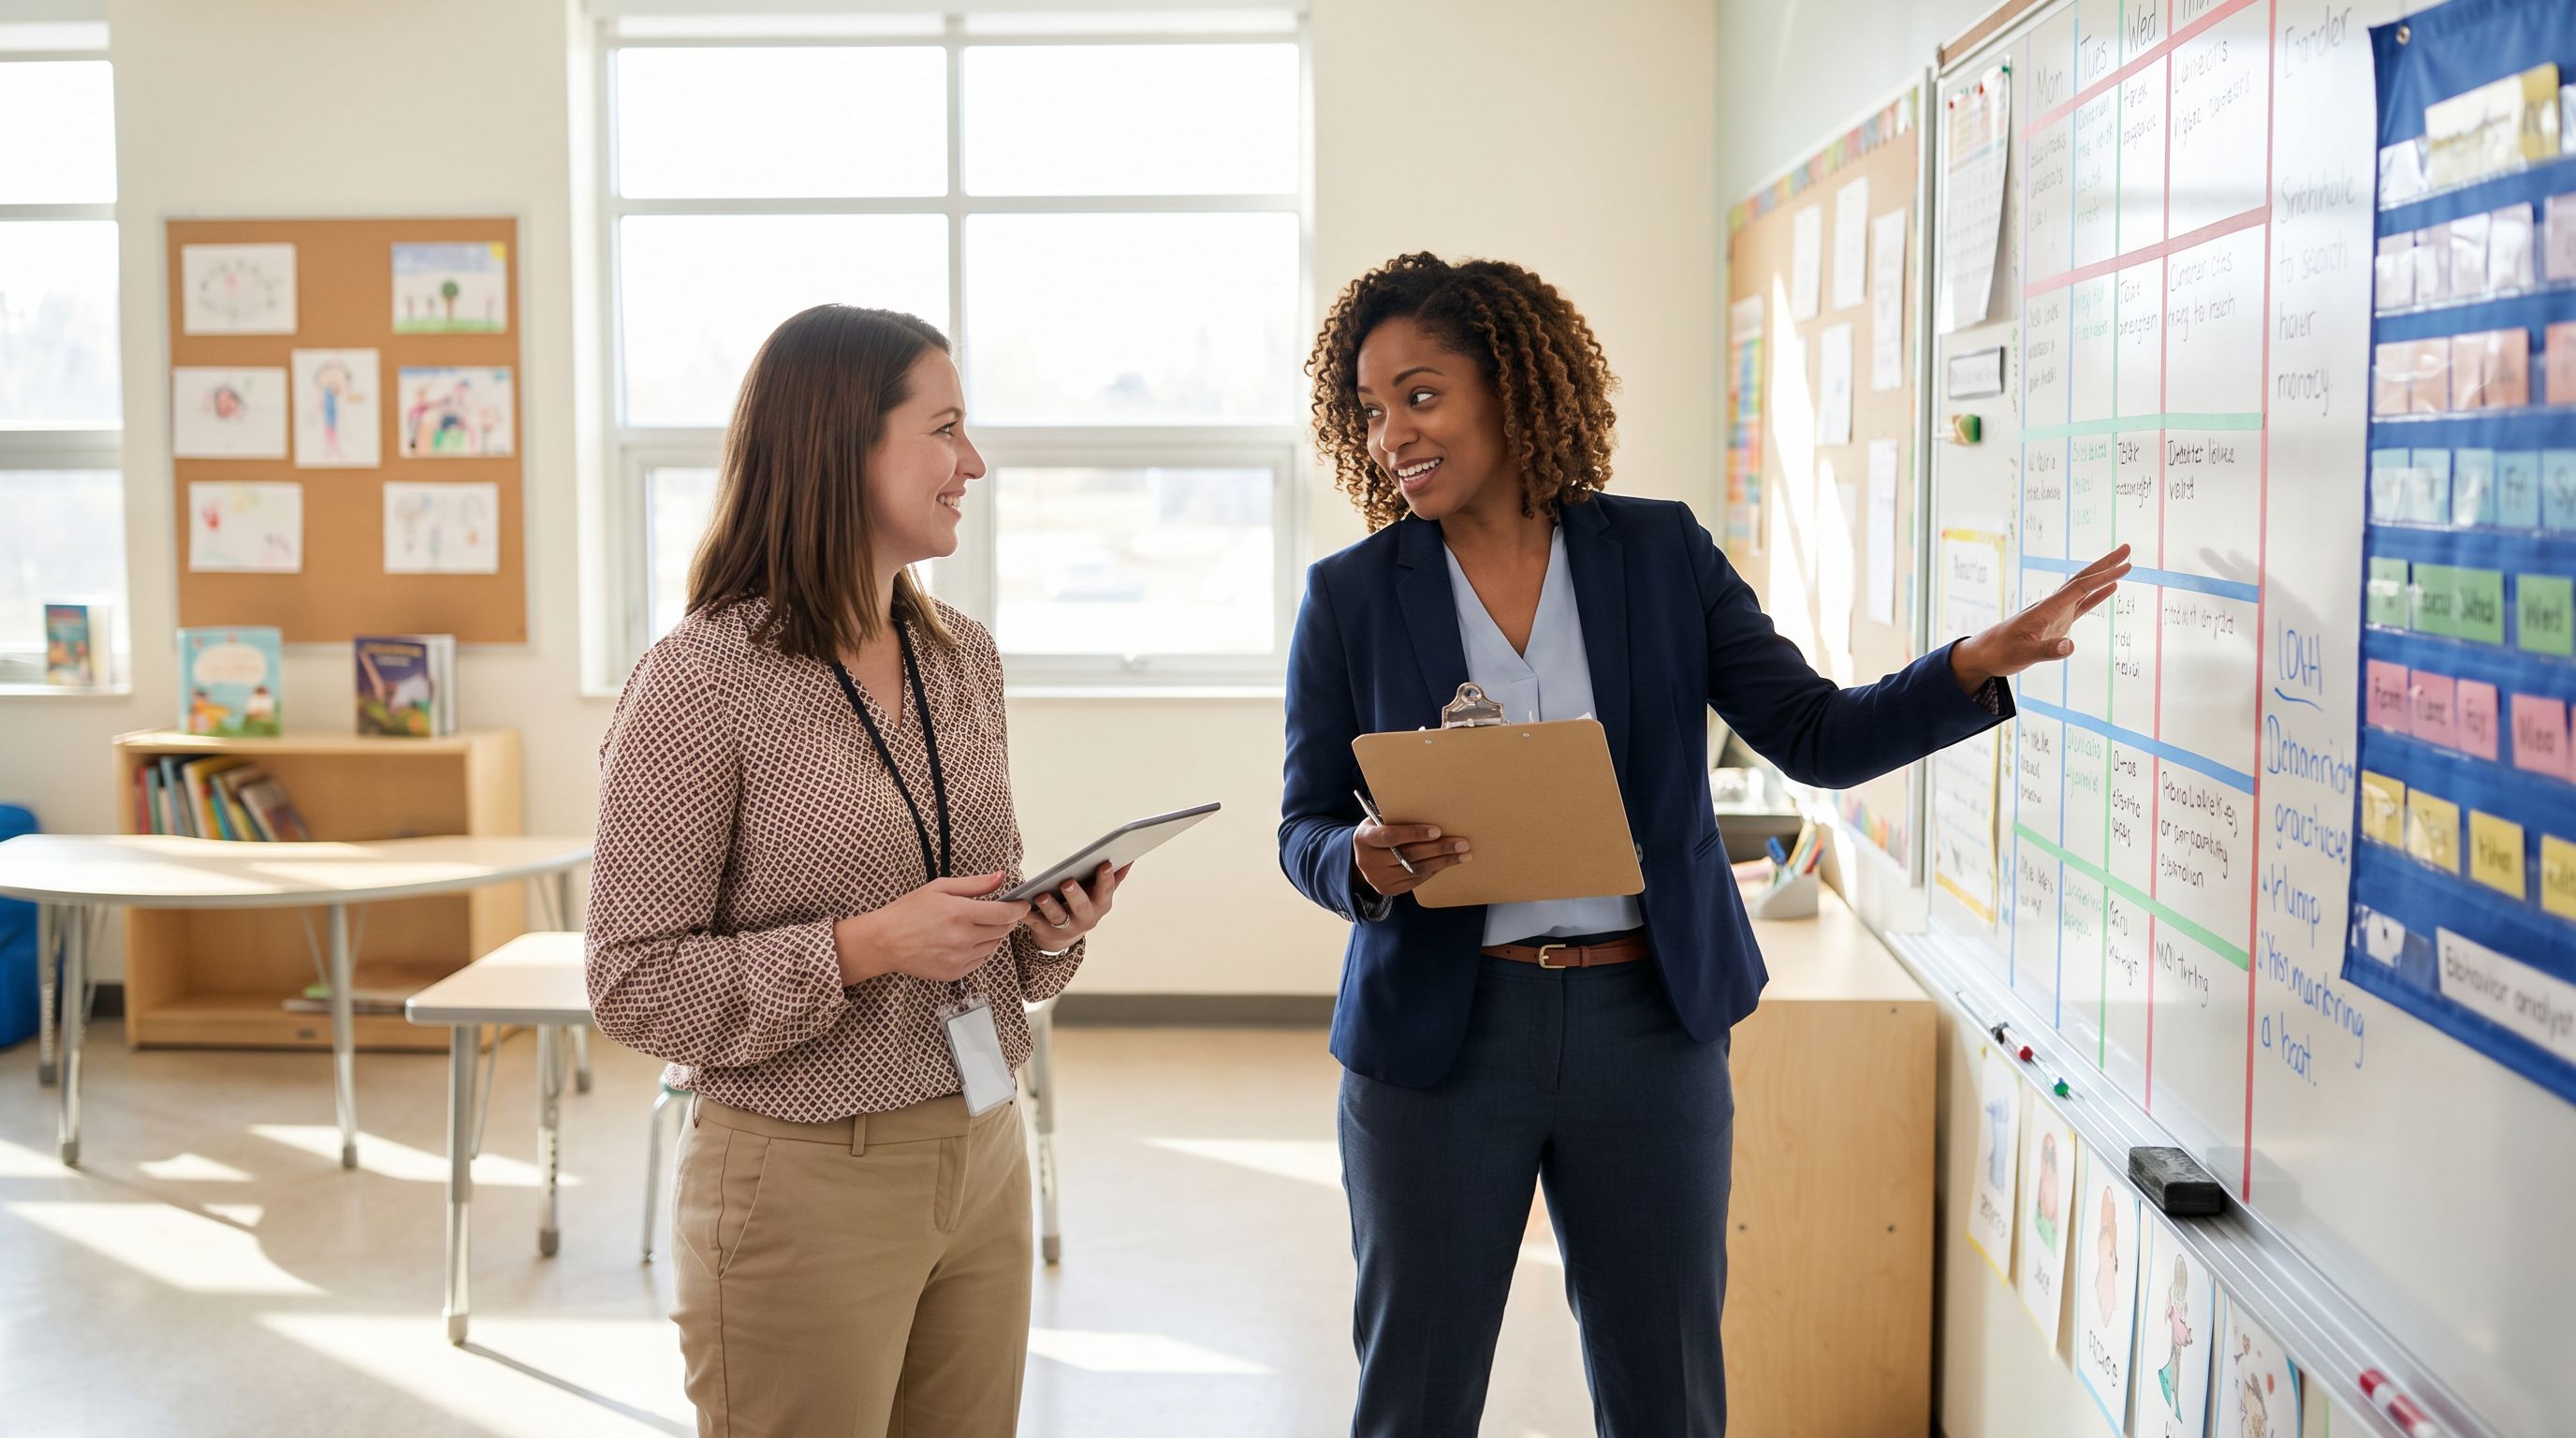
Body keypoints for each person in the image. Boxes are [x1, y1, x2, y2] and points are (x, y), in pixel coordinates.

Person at [1277, 252, 2128, 1437]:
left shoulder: (1658, 556)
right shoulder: (1352, 597)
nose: (1391, 436)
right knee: (1413, 1392)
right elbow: (1303, 825)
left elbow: (1813, 733)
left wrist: (1971, 669)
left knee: (1665, 1395)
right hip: (1439, 1039)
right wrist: (1356, 861)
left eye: (1420, 396)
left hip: (1647, 1030)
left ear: (1512, 390)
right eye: (1369, 412)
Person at [586, 303, 1127, 1438]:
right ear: (843, 447)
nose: (971, 463)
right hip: (800, 1179)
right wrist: (866, 946)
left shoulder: (960, 656)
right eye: (944, 429)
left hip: (982, 1147)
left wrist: (1046, 928)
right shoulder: (701, 680)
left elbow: (981, 923)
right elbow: (630, 981)